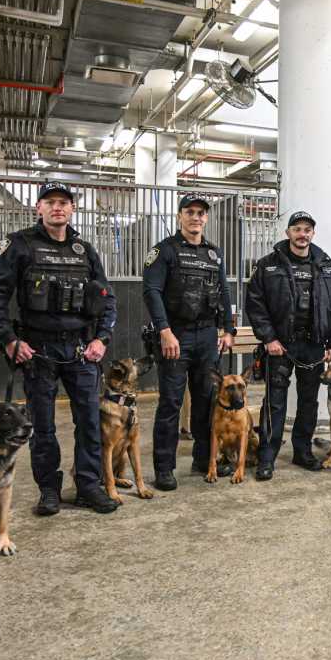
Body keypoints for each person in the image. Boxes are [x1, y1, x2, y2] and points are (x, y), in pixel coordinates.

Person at [0, 182, 119, 515]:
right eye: (50, 202)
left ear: (72, 208)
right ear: (39, 208)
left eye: (63, 202)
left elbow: (108, 299)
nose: (57, 207)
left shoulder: (85, 250)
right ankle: (49, 489)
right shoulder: (20, 245)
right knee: (42, 425)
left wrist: (102, 339)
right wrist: (9, 340)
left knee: (89, 421)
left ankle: (89, 486)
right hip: (38, 350)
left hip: (81, 349)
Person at [143, 193, 237, 490]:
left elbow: (224, 292)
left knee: (206, 400)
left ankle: (203, 458)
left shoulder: (214, 253)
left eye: (200, 213)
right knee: (171, 402)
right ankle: (164, 468)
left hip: (207, 336)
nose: (196, 217)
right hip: (176, 335)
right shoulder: (164, 251)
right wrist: (164, 330)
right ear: (180, 216)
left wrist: (229, 329)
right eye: (190, 212)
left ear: (206, 218)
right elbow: (151, 291)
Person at [246, 211, 331, 481]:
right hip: (280, 346)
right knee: (275, 402)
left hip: (314, 346)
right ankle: (267, 456)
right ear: (288, 232)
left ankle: (302, 451)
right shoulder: (267, 266)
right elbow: (255, 304)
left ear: (313, 233)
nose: (302, 234)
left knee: (309, 401)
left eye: (307, 229)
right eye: (297, 229)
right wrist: (269, 338)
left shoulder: (327, 267)